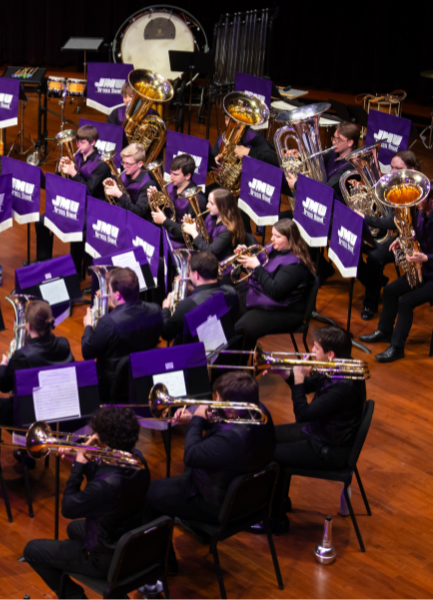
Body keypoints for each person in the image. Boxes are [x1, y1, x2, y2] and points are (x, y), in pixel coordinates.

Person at [143, 372, 275, 569]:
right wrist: (200, 419)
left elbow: (190, 455)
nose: (214, 401)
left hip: (216, 504)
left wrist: (196, 419)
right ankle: (198, 530)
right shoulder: (260, 412)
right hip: (248, 499)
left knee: (147, 493)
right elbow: (226, 427)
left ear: (229, 403)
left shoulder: (230, 441)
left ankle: (161, 566)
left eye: (218, 398)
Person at [23, 407, 150, 599]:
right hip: (129, 539)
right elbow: (108, 482)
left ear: (105, 440)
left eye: (95, 434)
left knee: (32, 550)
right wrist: (84, 460)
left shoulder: (106, 487)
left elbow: (68, 508)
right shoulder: (137, 459)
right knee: (74, 529)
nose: (92, 436)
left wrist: (77, 467)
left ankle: (75, 596)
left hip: (107, 557)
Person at [257, 326, 366, 534]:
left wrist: (297, 380)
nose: (311, 353)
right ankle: (279, 500)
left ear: (330, 354)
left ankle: (274, 520)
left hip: (329, 449)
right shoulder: (337, 365)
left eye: (316, 349)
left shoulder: (344, 386)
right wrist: (283, 372)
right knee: (265, 435)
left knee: (269, 453)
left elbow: (302, 415)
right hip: (318, 432)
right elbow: (307, 386)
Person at [359, 179, 433, 362]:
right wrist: (402, 240)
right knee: (389, 290)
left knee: (406, 302)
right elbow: (415, 232)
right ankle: (384, 331)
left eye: (420, 197)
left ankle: (397, 348)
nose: (415, 200)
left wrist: (426, 257)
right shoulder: (421, 213)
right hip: (425, 270)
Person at [35, 125, 111, 276]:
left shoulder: (102, 165)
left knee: (76, 229)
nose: (78, 146)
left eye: (82, 142)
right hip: (72, 204)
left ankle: (75, 273)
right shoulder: (76, 156)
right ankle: (43, 262)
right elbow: (62, 182)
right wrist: (60, 169)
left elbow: (88, 190)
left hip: (91, 209)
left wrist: (73, 173)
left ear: (93, 142)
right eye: (77, 142)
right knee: (41, 221)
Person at [82, 267, 163, 405]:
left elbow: (87, 352)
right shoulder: (156, 310)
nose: (108, 293)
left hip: (113, 386)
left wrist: (88, 326)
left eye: (109, 291)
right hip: (143, 378)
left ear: (118, 295)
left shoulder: (108, 323)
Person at [356, 150, 420, 319]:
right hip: (390, 234)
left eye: (396, 168)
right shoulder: (391, 184)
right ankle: (374, 281)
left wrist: (366, 218)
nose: (391, 172)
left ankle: (370, 305)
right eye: (391, 167)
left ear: (411, 169)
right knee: (351, 243)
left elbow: (394, 222)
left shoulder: (417, 190)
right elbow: (385, 213)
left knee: (375, 258)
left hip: (407, 239)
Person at [233, 218, 316, 342]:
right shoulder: (274, 249)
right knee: (228, 305)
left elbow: (275, 290)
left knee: (243, 328)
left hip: (284, 311)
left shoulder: (296, 266)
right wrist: (246, 256)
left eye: (277, 236)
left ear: (290, 239)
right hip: (262, 297)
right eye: (272, 234)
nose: (271, 239)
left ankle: (240, 358)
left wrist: (256, 267)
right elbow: (256, 271)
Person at [161, 252, 238, 344]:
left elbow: (166, 333)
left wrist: (165, 308)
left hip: (193, 352)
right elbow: (209, 298)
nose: (188, 274)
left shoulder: (187, 305)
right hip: (221, 345)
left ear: (197, 274)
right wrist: (193, 289)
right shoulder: (230, 292)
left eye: (189, 271)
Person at [150, 154, 203, 251]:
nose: (171, 177)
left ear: (187, 176)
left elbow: (188, 232)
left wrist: (164, 221)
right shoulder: (169, 187)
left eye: (175, 174)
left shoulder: (196, 199)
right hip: (164, 235)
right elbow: (160, 211)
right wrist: (154, 199)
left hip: (181, 245)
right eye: (170, 173)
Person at [181, 188, 248, 261]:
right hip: (207, 258)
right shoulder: (211, 217)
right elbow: (205, 238)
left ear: (223, 206)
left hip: (221, 264)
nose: (207, 206)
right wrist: (195, 227)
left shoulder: (228, 229)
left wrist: (193, 232)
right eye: (208, 201)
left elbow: (210, 252)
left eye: (211, 203)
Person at [102, 143, 157, 219]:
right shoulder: (123, 174)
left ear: (140, 164)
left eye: (128, 164)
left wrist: (119, 195)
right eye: (123, 162)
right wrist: (110, 187)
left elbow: (138, 212)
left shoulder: (148, 184)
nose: (124, 166)